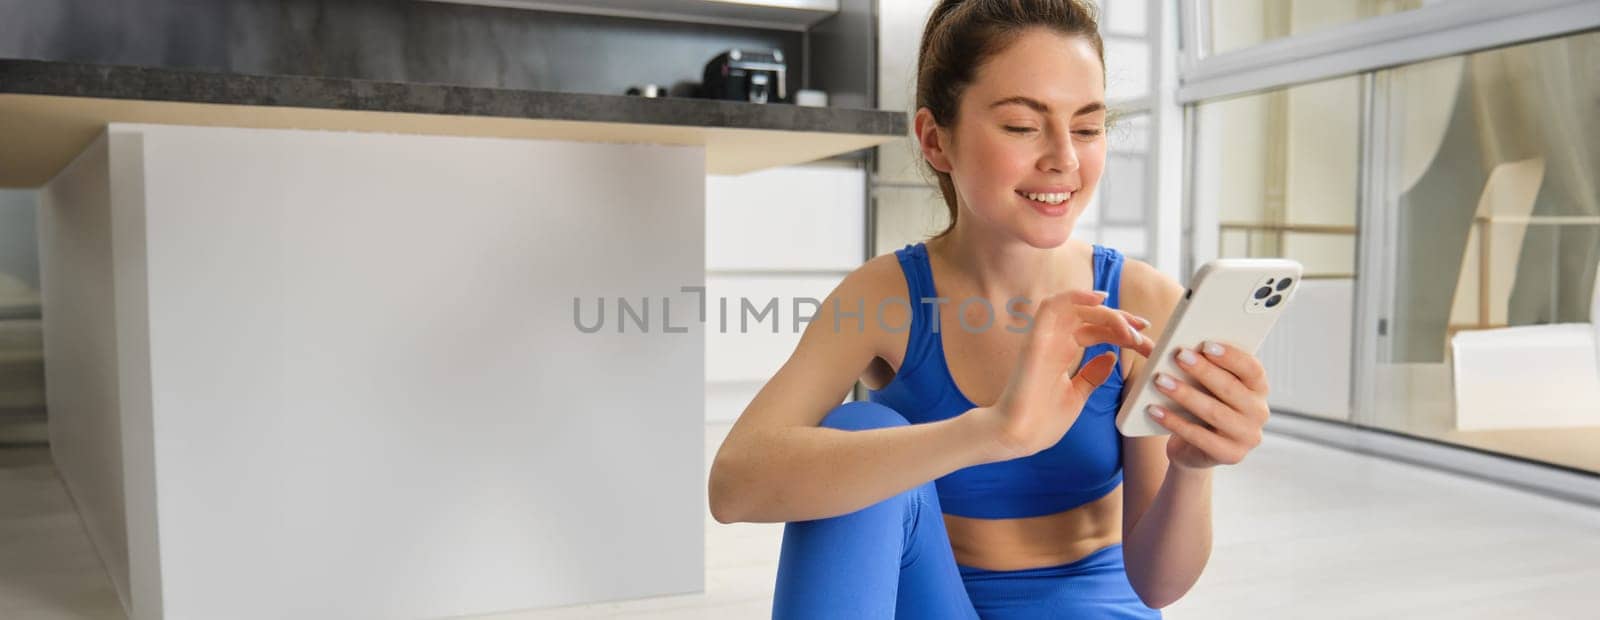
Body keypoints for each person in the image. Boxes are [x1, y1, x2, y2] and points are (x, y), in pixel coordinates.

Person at [707, 0, 1272, 617]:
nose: (1064, 158)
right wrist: (993, 432)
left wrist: (1194, 469)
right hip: (936, 604)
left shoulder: (1141, 304)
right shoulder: (886, 298)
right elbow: (735, 485)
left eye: (1086, 127)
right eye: (1023, 126)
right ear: (935, 139)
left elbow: (1159, 586)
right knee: (858, 435)